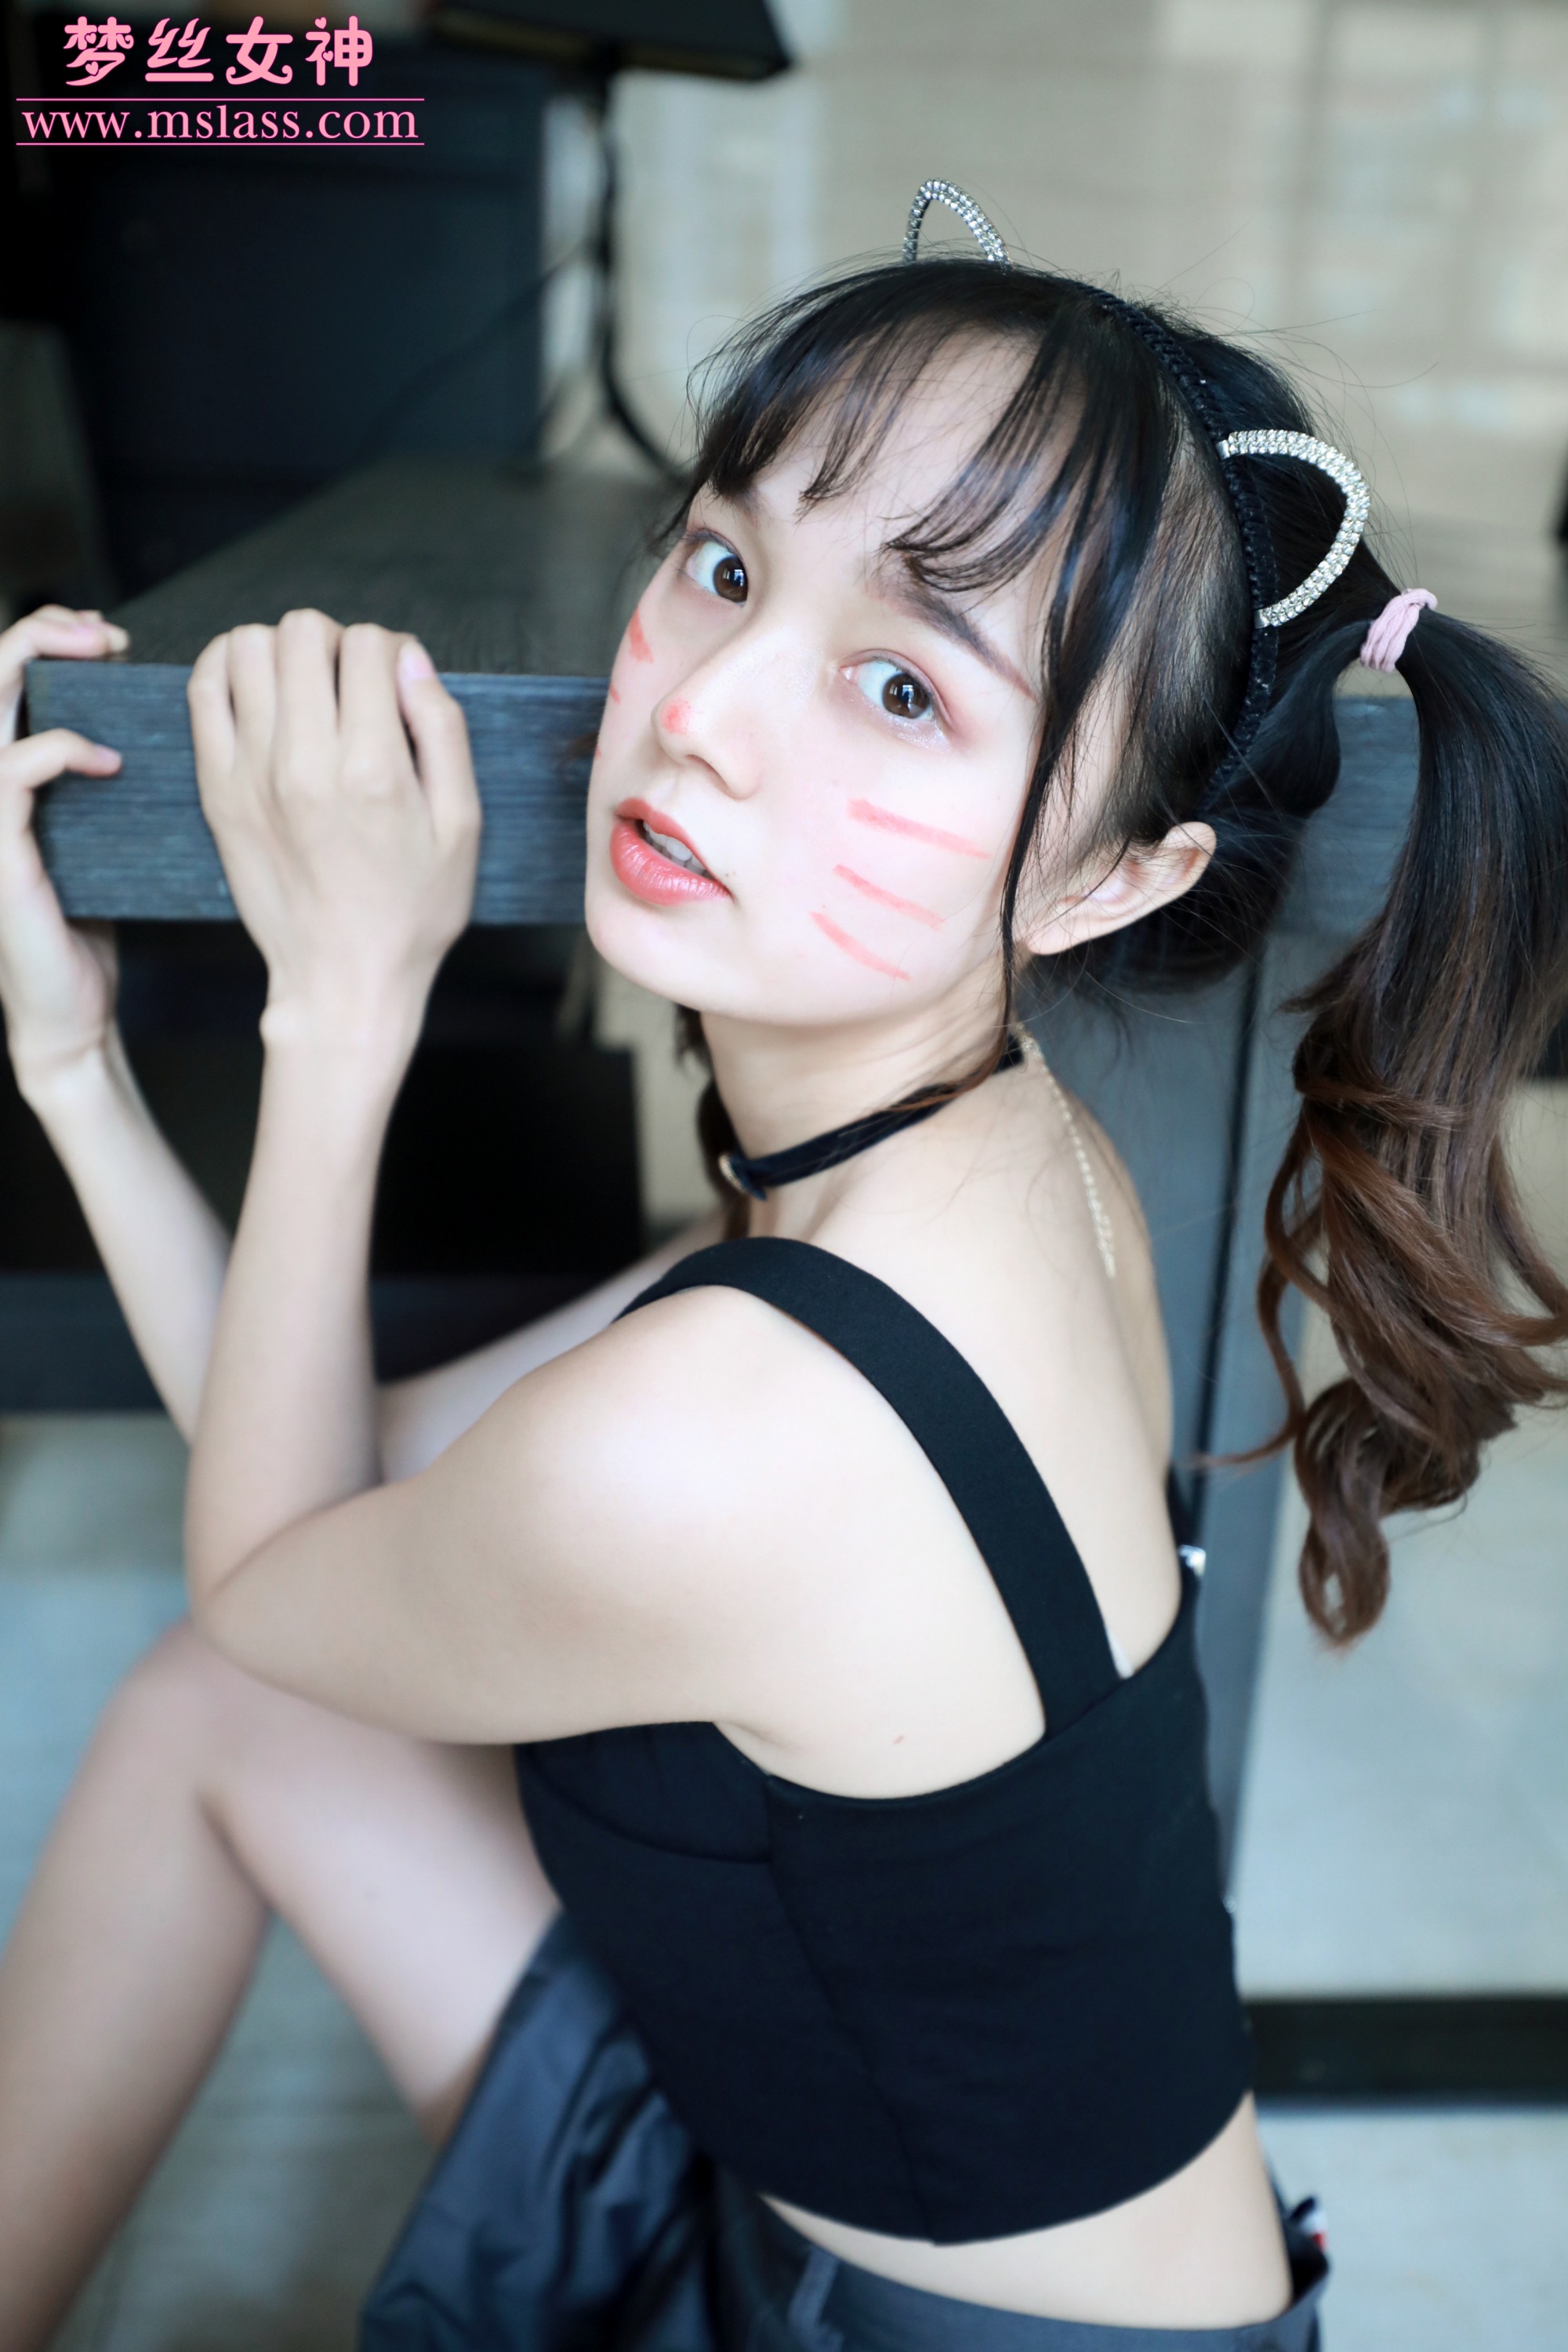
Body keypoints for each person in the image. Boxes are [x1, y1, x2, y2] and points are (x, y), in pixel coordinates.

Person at [4, 188, 1568, 2351]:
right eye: (729, 565)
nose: (710, 710)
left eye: (904, 688)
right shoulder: (997, 1152)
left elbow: (276, 1571)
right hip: (860, 2198)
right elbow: (332, 1490)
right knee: (220, 1708)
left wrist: (343, 1008)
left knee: (233, 1669)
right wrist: (75, 1064)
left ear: (1114, 881)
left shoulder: (745, 1431)